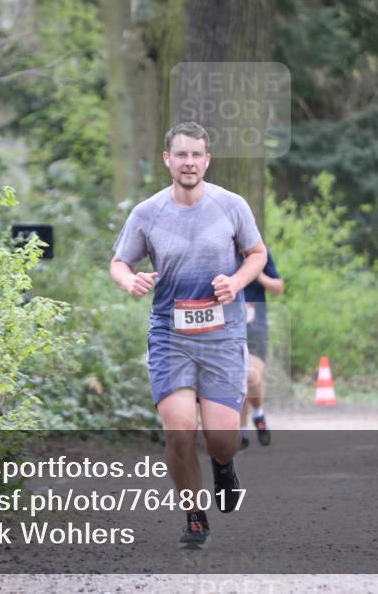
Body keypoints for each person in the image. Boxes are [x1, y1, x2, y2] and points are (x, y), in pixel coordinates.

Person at [110, 121, 267, 547]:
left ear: (208, 160)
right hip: (170, 335)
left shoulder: (231, 205)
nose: (189, 162)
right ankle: (194, 515)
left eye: (196, 155)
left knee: (221, 438)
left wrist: (236, 283)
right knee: (179, 431)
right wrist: (130, 281)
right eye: (181, 154)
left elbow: (257, 253)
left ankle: (223, 465)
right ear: (168, 160)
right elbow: (119, 262)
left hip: (221, 335)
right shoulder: (147, 213)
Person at [239, 248, 283, 450]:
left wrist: (259, 275)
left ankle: (258, 414)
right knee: (235, 378)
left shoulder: (259, 251)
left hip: (255, 328)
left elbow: (278, 288)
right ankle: (241, 433)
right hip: (226, 326)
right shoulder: (216, 249)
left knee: (251, 376)